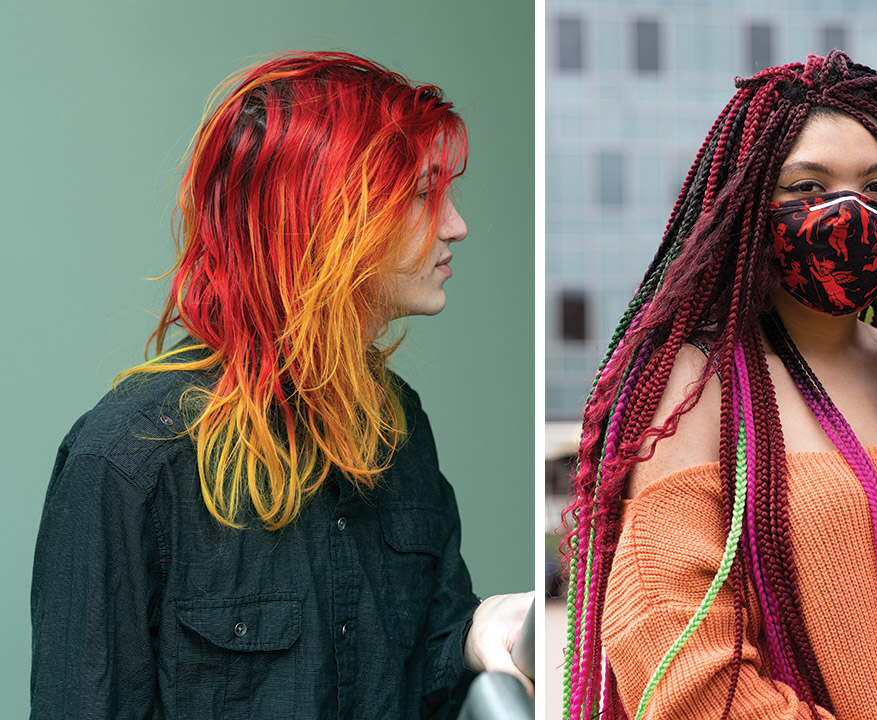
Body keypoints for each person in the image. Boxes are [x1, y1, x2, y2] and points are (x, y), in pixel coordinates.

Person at [562, 51, 877, 720]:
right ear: (746, 206)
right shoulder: (693, 386)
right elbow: (682, 665)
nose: (849, 211)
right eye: (806, 187)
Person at [31, 51, 531, 719]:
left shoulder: (398, 426)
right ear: (326, 218)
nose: (455, 226)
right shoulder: (126, 463)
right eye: (422, 194)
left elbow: (418, 678)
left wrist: (478, 632)